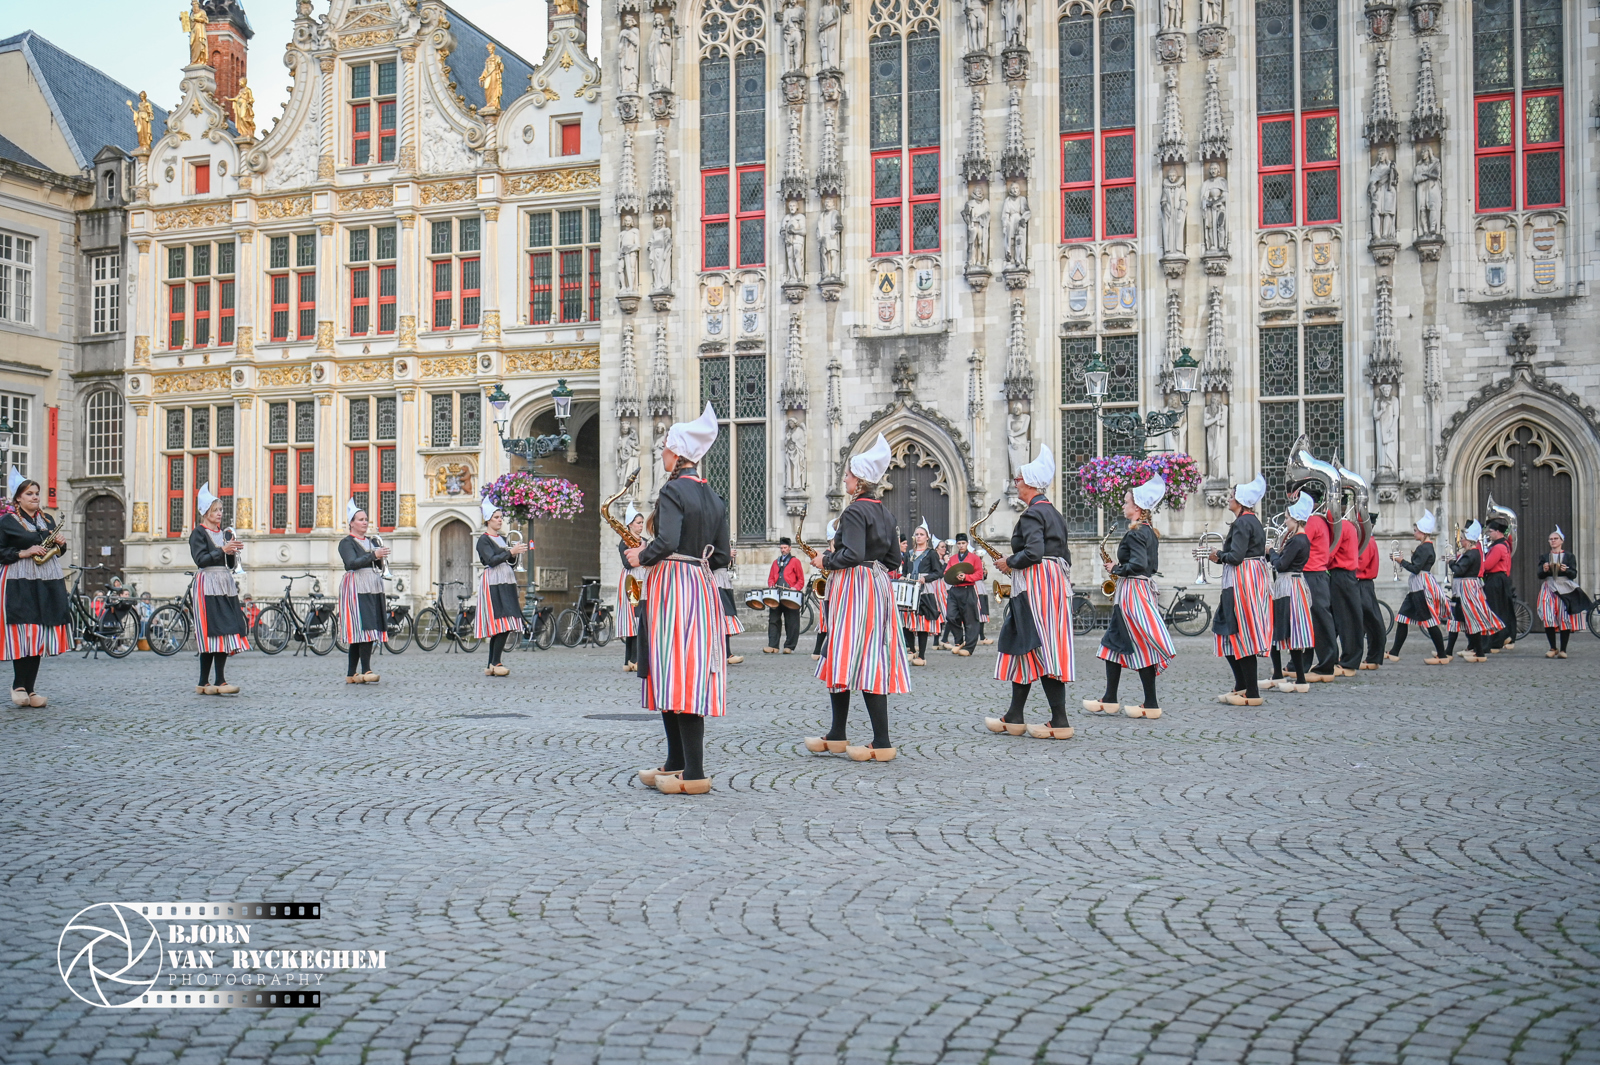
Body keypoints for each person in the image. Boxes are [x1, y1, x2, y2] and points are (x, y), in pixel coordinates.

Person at [627, 402, 732, 795]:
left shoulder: (673, 489)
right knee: (682, 671)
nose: (662, 455)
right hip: (701, 586)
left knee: (676, 671)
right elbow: (721, 556)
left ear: (677, 454)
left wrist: (642, 555)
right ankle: (676, 762)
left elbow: (668, 540)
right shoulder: (714, 497)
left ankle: (695, 771)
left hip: (673, 587)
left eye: (665, 449)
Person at [804, 433, 910, 761]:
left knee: (848, 653)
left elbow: (852, 554)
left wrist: (825, 560)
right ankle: (839, 734)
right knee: (864, 655)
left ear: (860, 481)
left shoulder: (853, 512)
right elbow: (894, 561)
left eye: (849, 475)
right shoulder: (886, 514)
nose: (845, 479)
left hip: (853, 587)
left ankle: (880, 741)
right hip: (877, 586)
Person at [988, 445, 1075, 739]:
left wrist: (1010, 562)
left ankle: (1060, 721)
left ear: (1030, 484)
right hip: (1052, 585)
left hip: (1036, 587)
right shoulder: (1054, 513)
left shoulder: (1032, 514)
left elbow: (1034, 552)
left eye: (1019, 480)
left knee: (1039, 645)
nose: (1016, 484)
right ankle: (1015, 715)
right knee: (1024, 643)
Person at [1086, 473, 1175, 718]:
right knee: (1114, 643)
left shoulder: (1136, 533)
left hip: (1132, 593)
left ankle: (1148, 703)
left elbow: (1138, 564)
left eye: (1126, 502)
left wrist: (1116, 568)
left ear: (1137, 507)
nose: (1123, 506)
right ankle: (1111, 698)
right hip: (1139, 590)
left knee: (1134, 643)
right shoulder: (1149, 532)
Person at [0, 469, 69, 707]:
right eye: (29, 493)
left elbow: (58, 551)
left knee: (39, 633)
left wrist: (61, 544)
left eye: (37, 493)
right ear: (18, 498)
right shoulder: (7, 522)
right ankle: (18, 685)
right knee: (24, 632)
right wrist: (24, 552)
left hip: (47, 579)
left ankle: (30, 690)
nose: (35, 497)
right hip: (19, 579)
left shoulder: (48, 520)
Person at [1209, 473, 1272, 706]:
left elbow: (1236, 557)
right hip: (1244, 580)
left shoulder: (1244, 522)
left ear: (1241, 501)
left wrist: (1218, 555)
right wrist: (1221, 556)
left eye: (1232, 496)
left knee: (1241, 632)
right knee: (1226, 629)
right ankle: (1242, 685)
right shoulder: (1250, 521)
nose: (1229, 499)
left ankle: (1251, 691)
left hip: (1242, 583)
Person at [190, 485, 249, 695]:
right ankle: (206, 681)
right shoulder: (198, 533)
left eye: (221, 510)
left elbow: (230, 564)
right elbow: (200, 560)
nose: (219, 514)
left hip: (224, 582)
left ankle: (217, 680)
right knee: (212, 630)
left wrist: (232, 552)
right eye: (215, 510)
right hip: (207, 582)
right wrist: (222, 550)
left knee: (226, 628)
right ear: (205, 512)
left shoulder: (224, 533)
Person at [1386, 509, 1450, 665]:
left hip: (1421, 588)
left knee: (1430, 622)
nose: (1414, 533)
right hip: (1416, 588)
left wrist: (1401, 561)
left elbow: (1415, 568)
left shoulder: (1424, 548)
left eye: (1415, 531)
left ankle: (1442, 655)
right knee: (1402, 618)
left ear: (1423, 532)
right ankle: (1394, 651)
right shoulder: (1425, 547)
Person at [1291, 478, 1339, 680]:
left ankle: (1327, 664)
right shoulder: (1318, 521)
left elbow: (1297, 542)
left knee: (1320, 621)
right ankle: (1303, 663)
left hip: (1313, 575)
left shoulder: (1311, 522)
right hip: (1313, 574)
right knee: (1308, 622)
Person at [339, 500, 391, 683]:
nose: (364, 522)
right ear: (351, 523)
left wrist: (381, 559)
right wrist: (373, 555)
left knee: (368, 627)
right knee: (363, 626)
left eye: (366, 519)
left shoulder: (372, 541)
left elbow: (375, 564)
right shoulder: (346, 543)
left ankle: (351, 673)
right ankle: (366, 670)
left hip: (372, 585)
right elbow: (351, 563)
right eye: (360, 519)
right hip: (356, 586)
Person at [1267, 495, 1315, 693]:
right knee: (1283, 630)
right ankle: (1280, 674)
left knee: (1286, 630)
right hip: (1292, 584)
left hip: (1289, 586)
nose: (1285, 521)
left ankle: (1298, 679)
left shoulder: (1297, 540)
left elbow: (1281, 565)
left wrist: (1271, 552)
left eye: (1287, 518)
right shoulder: (1299, 539)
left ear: (1296, 519)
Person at [476, 499, 528, 676]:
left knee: (506, 621)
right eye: (496, 517)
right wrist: (510, 552)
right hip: (493, 581)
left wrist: (515, 553)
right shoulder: (483, 540)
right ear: (488, 520)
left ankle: (491, 664)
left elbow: (509, 561)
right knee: (502, 621)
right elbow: (491, 560)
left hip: (506, 579)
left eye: (500, 517)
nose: (500, 520)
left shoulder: (503, 538)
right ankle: (496, 663)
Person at [1536, 526, 1590, 658]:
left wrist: (1566, 570)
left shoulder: (1569, 556)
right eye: (1551, 539)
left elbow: (1573, 574)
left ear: (1561, 541)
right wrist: (1544, 570)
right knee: (1548, 616)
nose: (1553, 541)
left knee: (1564, 617)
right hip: (1549, 586)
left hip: (1564, 587)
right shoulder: (1545, 557)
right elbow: (1540, 575)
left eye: (1555, 538)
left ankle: (1563, 650)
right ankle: (1552, 647)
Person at [1448, 521, 1497, 662]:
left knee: (1471, 619)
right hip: (1464, 589)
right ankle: (1448, 651)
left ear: (1469, 541)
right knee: (1457, 620)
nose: (1461, 541)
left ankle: (1479, 652)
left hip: (1467, 590)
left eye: (1463, 539)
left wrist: (1451, 562)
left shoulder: (1471, 554)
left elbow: (1459, 570)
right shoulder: (1471, 553)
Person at [1327, 495, 1364, 677]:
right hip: (1345, 575)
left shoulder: (1340, 527)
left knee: (1346, 619)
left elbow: (1331, 552)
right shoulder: (1349, 525)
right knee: (1341, 618)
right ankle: (1334, 658)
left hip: (1341, 574)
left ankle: (1348, 661)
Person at [899, 521, 941, 665]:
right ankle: (912, 649)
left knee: (922, 621)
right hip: (910, 588)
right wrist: (903, 577)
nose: (918, 537)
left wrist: (926, 578)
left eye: (921, 534)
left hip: (924, 589)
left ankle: (922, 655)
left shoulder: (931, 554)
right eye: (916, 534)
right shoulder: (909, 554)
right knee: (907, 619)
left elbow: (938, 572)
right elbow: (905, 571)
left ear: (927, 537)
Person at [943, 533, 985, 655]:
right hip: (955, 590)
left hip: (968, 589)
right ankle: (959, 640)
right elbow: (947, 572)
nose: (961, 545)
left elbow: (979, 574)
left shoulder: (974, 558)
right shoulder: (953, 559)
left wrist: (966, 577)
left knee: (970, 619)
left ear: (967, 544)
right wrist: (953, 576)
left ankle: (969, 648)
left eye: (963, 543)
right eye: (959, 543)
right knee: (951, 616)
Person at [617, 504, 647, 672]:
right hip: (632, 579)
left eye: (642, 522)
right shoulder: (624, 543)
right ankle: (633, 659)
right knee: (634, 618)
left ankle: (629, 660)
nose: (641, 526)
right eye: (638, 523)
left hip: (643, 577)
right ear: (630, 524)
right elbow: (627, 563)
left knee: (639, 617)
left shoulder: (645, 542)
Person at [764, 538, 805, 654]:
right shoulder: (775, 562)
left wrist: (795, 588)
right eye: (781, 548)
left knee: (792, 621)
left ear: (790, 548)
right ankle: (773, 645)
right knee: (773, 620)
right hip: (776, 595)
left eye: (785, 548)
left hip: (790, 596)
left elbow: (801, 580)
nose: (783, 550)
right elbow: (771, 578)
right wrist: (771, 585)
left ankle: (789, 646)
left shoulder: (795, 562)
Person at [1355, 516, 1385, 669]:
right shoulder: (1367, 541)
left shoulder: (1366, 542)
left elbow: (1360, 565)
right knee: (1364, 622)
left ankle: (1370, 656)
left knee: (1367, 622)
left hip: (1362, 583)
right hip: (1362, 584)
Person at [1482, 517, 1515, 651]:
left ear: (1497, 532)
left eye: (1490, 532)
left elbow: (1487, 565)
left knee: (1494, 609)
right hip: (1499, 579)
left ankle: (1496, 639)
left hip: (1495, 579)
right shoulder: (1503, 544)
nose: (1489, 534)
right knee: (1499, 609)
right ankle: (1500, 638)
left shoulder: (1499, 547)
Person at [811, 519, 836, 660]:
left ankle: (822, 652)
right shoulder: (827, 554)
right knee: (824, 624)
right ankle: (818, 651)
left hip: (836, 591)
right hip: (827, 590)